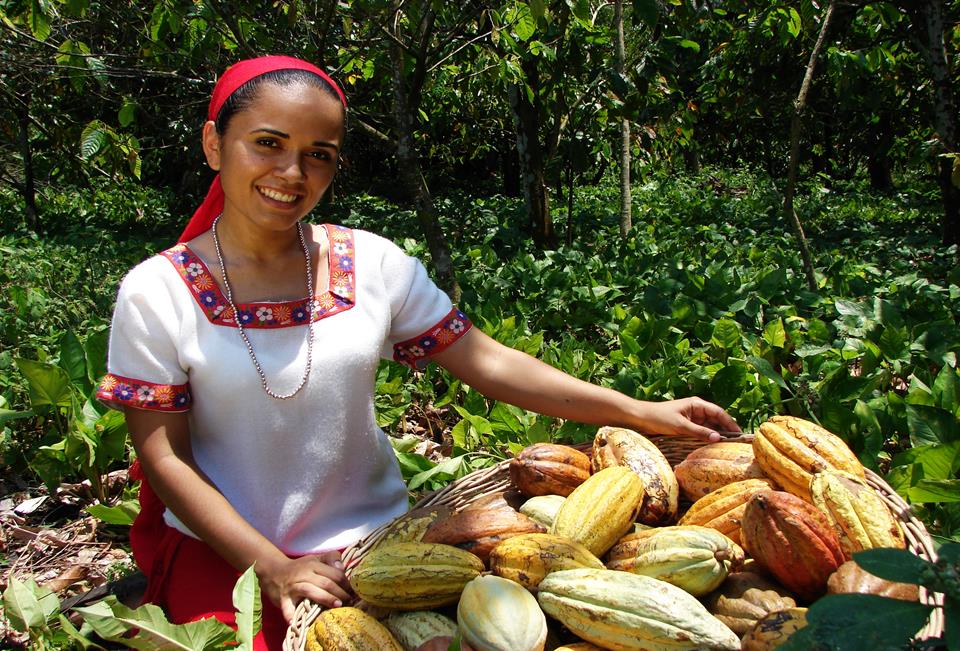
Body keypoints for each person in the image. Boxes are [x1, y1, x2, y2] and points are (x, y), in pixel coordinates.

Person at [97, 55, 740, 649]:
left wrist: (640, 411)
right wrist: (271, 567)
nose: (292, 173)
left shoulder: (370, 264)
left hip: (381, 550)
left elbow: (488, 362)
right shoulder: (158, 292)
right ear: (214, 143)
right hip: (231, 562)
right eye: (268, 143)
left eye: (319, 154)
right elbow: (164, 457)